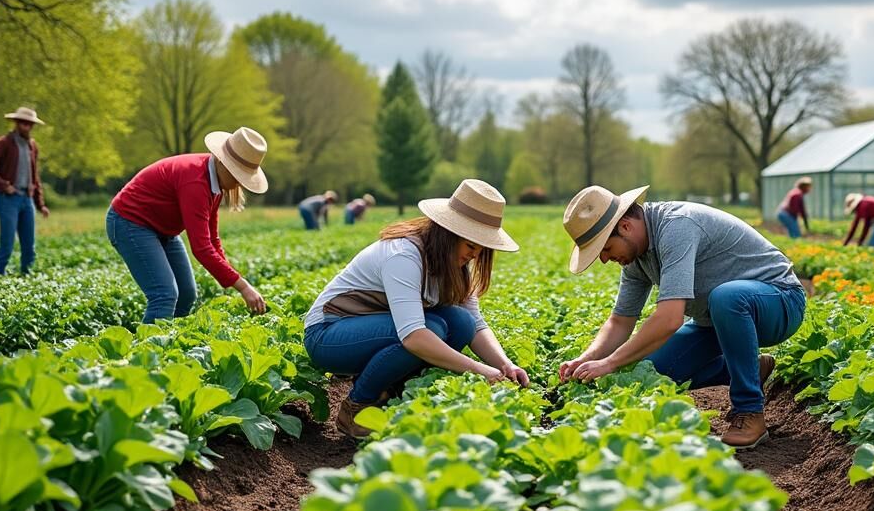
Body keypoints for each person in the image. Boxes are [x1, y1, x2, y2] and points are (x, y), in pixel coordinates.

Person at [558, 185, 806, 450]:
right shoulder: (635, 257)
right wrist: (586, 359)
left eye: (606, 248)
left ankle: (749, 410)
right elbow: (620, 321)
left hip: (779, 302)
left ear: (626, 227)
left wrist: (609, 363)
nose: (605, 259)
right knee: (653, 371)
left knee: (727, 298)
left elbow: (669, 319)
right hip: (716, 322)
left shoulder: (676, 227)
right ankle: (748, 369)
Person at [304, 179, 528, 438]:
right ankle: (357, 407)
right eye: (470, 246)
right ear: (449, 234)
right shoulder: (404, 254)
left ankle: (392, 393)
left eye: (481, 249)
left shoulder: (454, 264)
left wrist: (506, 366)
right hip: (328, 335)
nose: (474, 255)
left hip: (372, 329)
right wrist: (481, 370)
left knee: (461, 322)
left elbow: (475, 324)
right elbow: (413, 337)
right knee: (430, 329)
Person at [107, 127, 269, 323]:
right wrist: (242, 286)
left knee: (186, 294)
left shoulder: (215, 183)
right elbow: (202, 248)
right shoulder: (195, 182)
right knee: (164, 295)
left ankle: (170, 338)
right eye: (238, 175)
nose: (239, 184)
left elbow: (212, 239)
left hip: (163, 230)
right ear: (222, 162)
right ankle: (148, 342)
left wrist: (233, 277)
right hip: (130, 223)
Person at [0, 106, 51, 275]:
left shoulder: (33, 146)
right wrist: (4, 185)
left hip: (27, 198)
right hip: (8, 199)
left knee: (29, 243)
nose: (27, 126)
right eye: (23, 123)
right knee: (7, 241)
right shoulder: (3, 143)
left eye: (29, 124)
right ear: (16, 123)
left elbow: (35, 176)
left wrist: (40, 204)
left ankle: (27, 274)